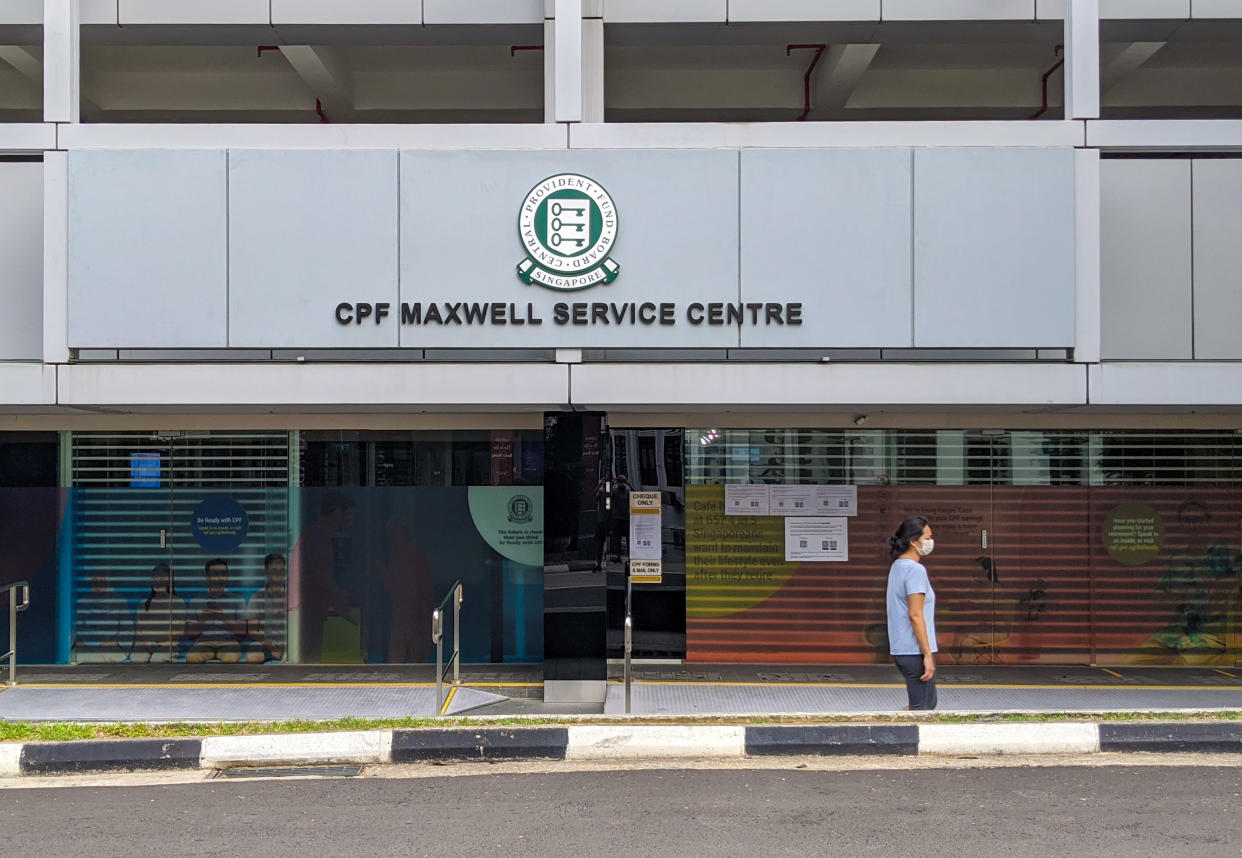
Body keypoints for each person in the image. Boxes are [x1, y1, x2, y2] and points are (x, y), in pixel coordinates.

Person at [886, 516, 938, 710]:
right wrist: (927, 654)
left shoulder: (897, 566)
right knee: (922, 710)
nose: (930, 542)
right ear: (913, 541)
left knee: (921, 706)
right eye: (927, 538)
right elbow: (915, 615)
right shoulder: (915, 570)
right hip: (914, 651)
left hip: (902, 649)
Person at [184, 558, 248, 664]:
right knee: (192, 658)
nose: (220, 578)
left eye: (223, 574)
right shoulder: (197, 601)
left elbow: (243, 632)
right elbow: (191, 634)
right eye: (215, 574)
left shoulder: (238, 600)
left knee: (231, 659)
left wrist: (226, 619)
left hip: (229, 642)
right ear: (207, 578)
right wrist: (203, 620)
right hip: (203, 642)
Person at [131, 562, 186, 663]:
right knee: (136, 659)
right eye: (155, 578)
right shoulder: (143, 604)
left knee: (157, 660)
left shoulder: (178, 602)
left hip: (167, 645)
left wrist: (159, 641)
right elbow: (138, 632)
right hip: (144, 645)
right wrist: (148, 643)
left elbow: (180, 631)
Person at [245, 553, 288, 663]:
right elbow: (252, 631)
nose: (278, 573)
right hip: (265, 644)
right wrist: (269, 646)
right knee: (252, 657)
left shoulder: (293, 596)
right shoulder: (257, 597)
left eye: (281, 570)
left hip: (289, 645)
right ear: (266, 572)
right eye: (274, 570)